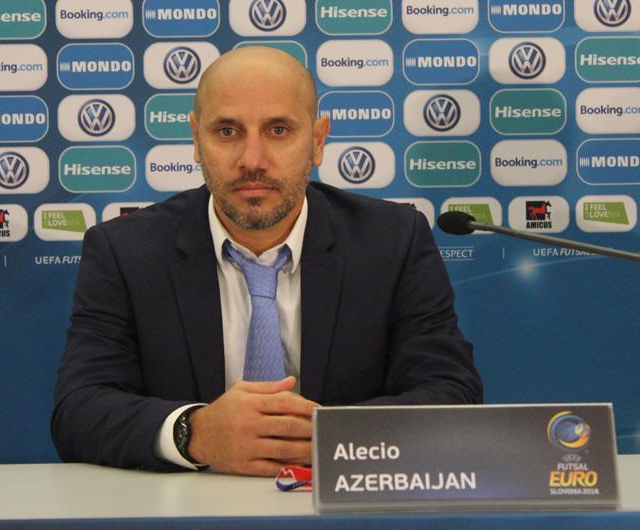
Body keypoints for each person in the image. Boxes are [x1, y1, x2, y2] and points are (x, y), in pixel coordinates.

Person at [52, 47, 482, 477]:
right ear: (196, 140)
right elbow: (79, 410)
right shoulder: (125, 251)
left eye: (278, 130)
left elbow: (451, 391)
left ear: (317, 141)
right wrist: (193, 432)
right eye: (227, 131)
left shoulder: (393, 241)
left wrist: (338, 437)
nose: (252, 161)